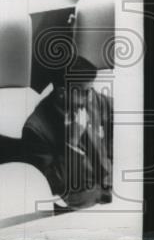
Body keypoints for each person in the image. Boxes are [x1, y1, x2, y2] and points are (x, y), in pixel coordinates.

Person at [22, 58, 113, 210]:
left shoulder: (90, 97)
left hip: (109, 183)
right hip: (80, 198)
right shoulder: (35, 130)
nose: (91, 97)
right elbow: (51, 185)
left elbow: (113, 115)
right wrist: (72, 142)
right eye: (84, 93)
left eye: (91, 90)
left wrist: (111, 155)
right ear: (62, 93)